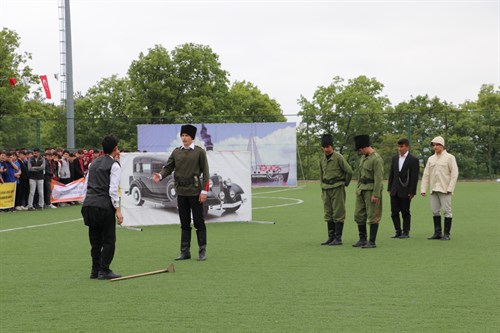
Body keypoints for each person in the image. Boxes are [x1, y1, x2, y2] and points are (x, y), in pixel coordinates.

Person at [153, 124, 210, 261]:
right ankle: (185, 252)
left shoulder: (199, 152)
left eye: (187, 136)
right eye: (182, 135)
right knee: (184, 223)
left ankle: (202, 251)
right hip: (181, 192)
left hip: (195, 192)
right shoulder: (176, 152)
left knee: (199, 222)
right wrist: (160, 176)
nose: (184, 138)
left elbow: (206, 172)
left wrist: (204, 191)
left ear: (192, 137)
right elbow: (168, 167)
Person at [81, 135, 123, 280]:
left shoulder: (93, 163)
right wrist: (118, 210)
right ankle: (104, 270)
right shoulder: (114, 165)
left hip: (89, 205)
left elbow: (86, 185)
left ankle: (95, 270)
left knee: (95, 240)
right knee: (109, 240)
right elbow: (113, 190)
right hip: (104, 205)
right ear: (115, 149)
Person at [420, 136, 459, 241]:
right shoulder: (430, 159)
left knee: (447, 211)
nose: (435, 147)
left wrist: (450, 188)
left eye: (437, 145)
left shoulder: (450, 157)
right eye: (433, 145)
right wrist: (423, 189)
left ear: (442, 145)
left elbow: (454, 173)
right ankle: (437, 233)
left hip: (445, 189)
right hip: (434, 189)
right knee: (435, 211)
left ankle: (446, 234)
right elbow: (426, 175)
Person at [319, 134, 353, 246]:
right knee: (328, 213)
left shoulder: (338, 157)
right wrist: (322, 189)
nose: (326, 149)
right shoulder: (322, 159)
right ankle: (331, 237)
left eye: (327, 146)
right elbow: (321, 175)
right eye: (324, 147)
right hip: (326, 188)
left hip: (337, 187)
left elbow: (349, 171)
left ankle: (338, 238)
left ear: (332, 146)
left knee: (338, 212)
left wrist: (345, 183)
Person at [352, 135, 384, 248]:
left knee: (372, 216)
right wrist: (358, 189)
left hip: (371, 190)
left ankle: (372, 241)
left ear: (365, 147)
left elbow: (379, 178)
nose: (359, 152)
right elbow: (360, 175)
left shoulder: (376, 159)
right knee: (358, 215)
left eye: (360, 149)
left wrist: (376, 194)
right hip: (362, 190)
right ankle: (362, 239)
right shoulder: (364, 158)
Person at [387, 138, 420, 238]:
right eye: (398, 146)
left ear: (407, 147)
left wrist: (412, 192)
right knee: (394, 212)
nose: (399, 149)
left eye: (401, 146)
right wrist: (389, 188)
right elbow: (391, 174)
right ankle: (398, 231)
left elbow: (414, 177)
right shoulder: (394, 158)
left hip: (406, 190)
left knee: (405, 212)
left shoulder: (413, 160)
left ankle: (406, 232)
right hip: (394, 189)